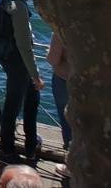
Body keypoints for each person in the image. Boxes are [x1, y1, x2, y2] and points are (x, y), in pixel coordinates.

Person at [0, 0, 43, 168]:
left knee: (29, 100)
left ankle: (31, 144)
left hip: (10, 56)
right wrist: (36, 75)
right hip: (18, 61)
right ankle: (8, 151)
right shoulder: (19, 6)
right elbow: (24, 45)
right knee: (16, 105)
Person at [46, 30, 71, 178]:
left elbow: (53, 59)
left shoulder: (63, 27)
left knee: (67, 120)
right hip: (88, 82)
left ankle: (71, 165)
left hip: (64, 79)